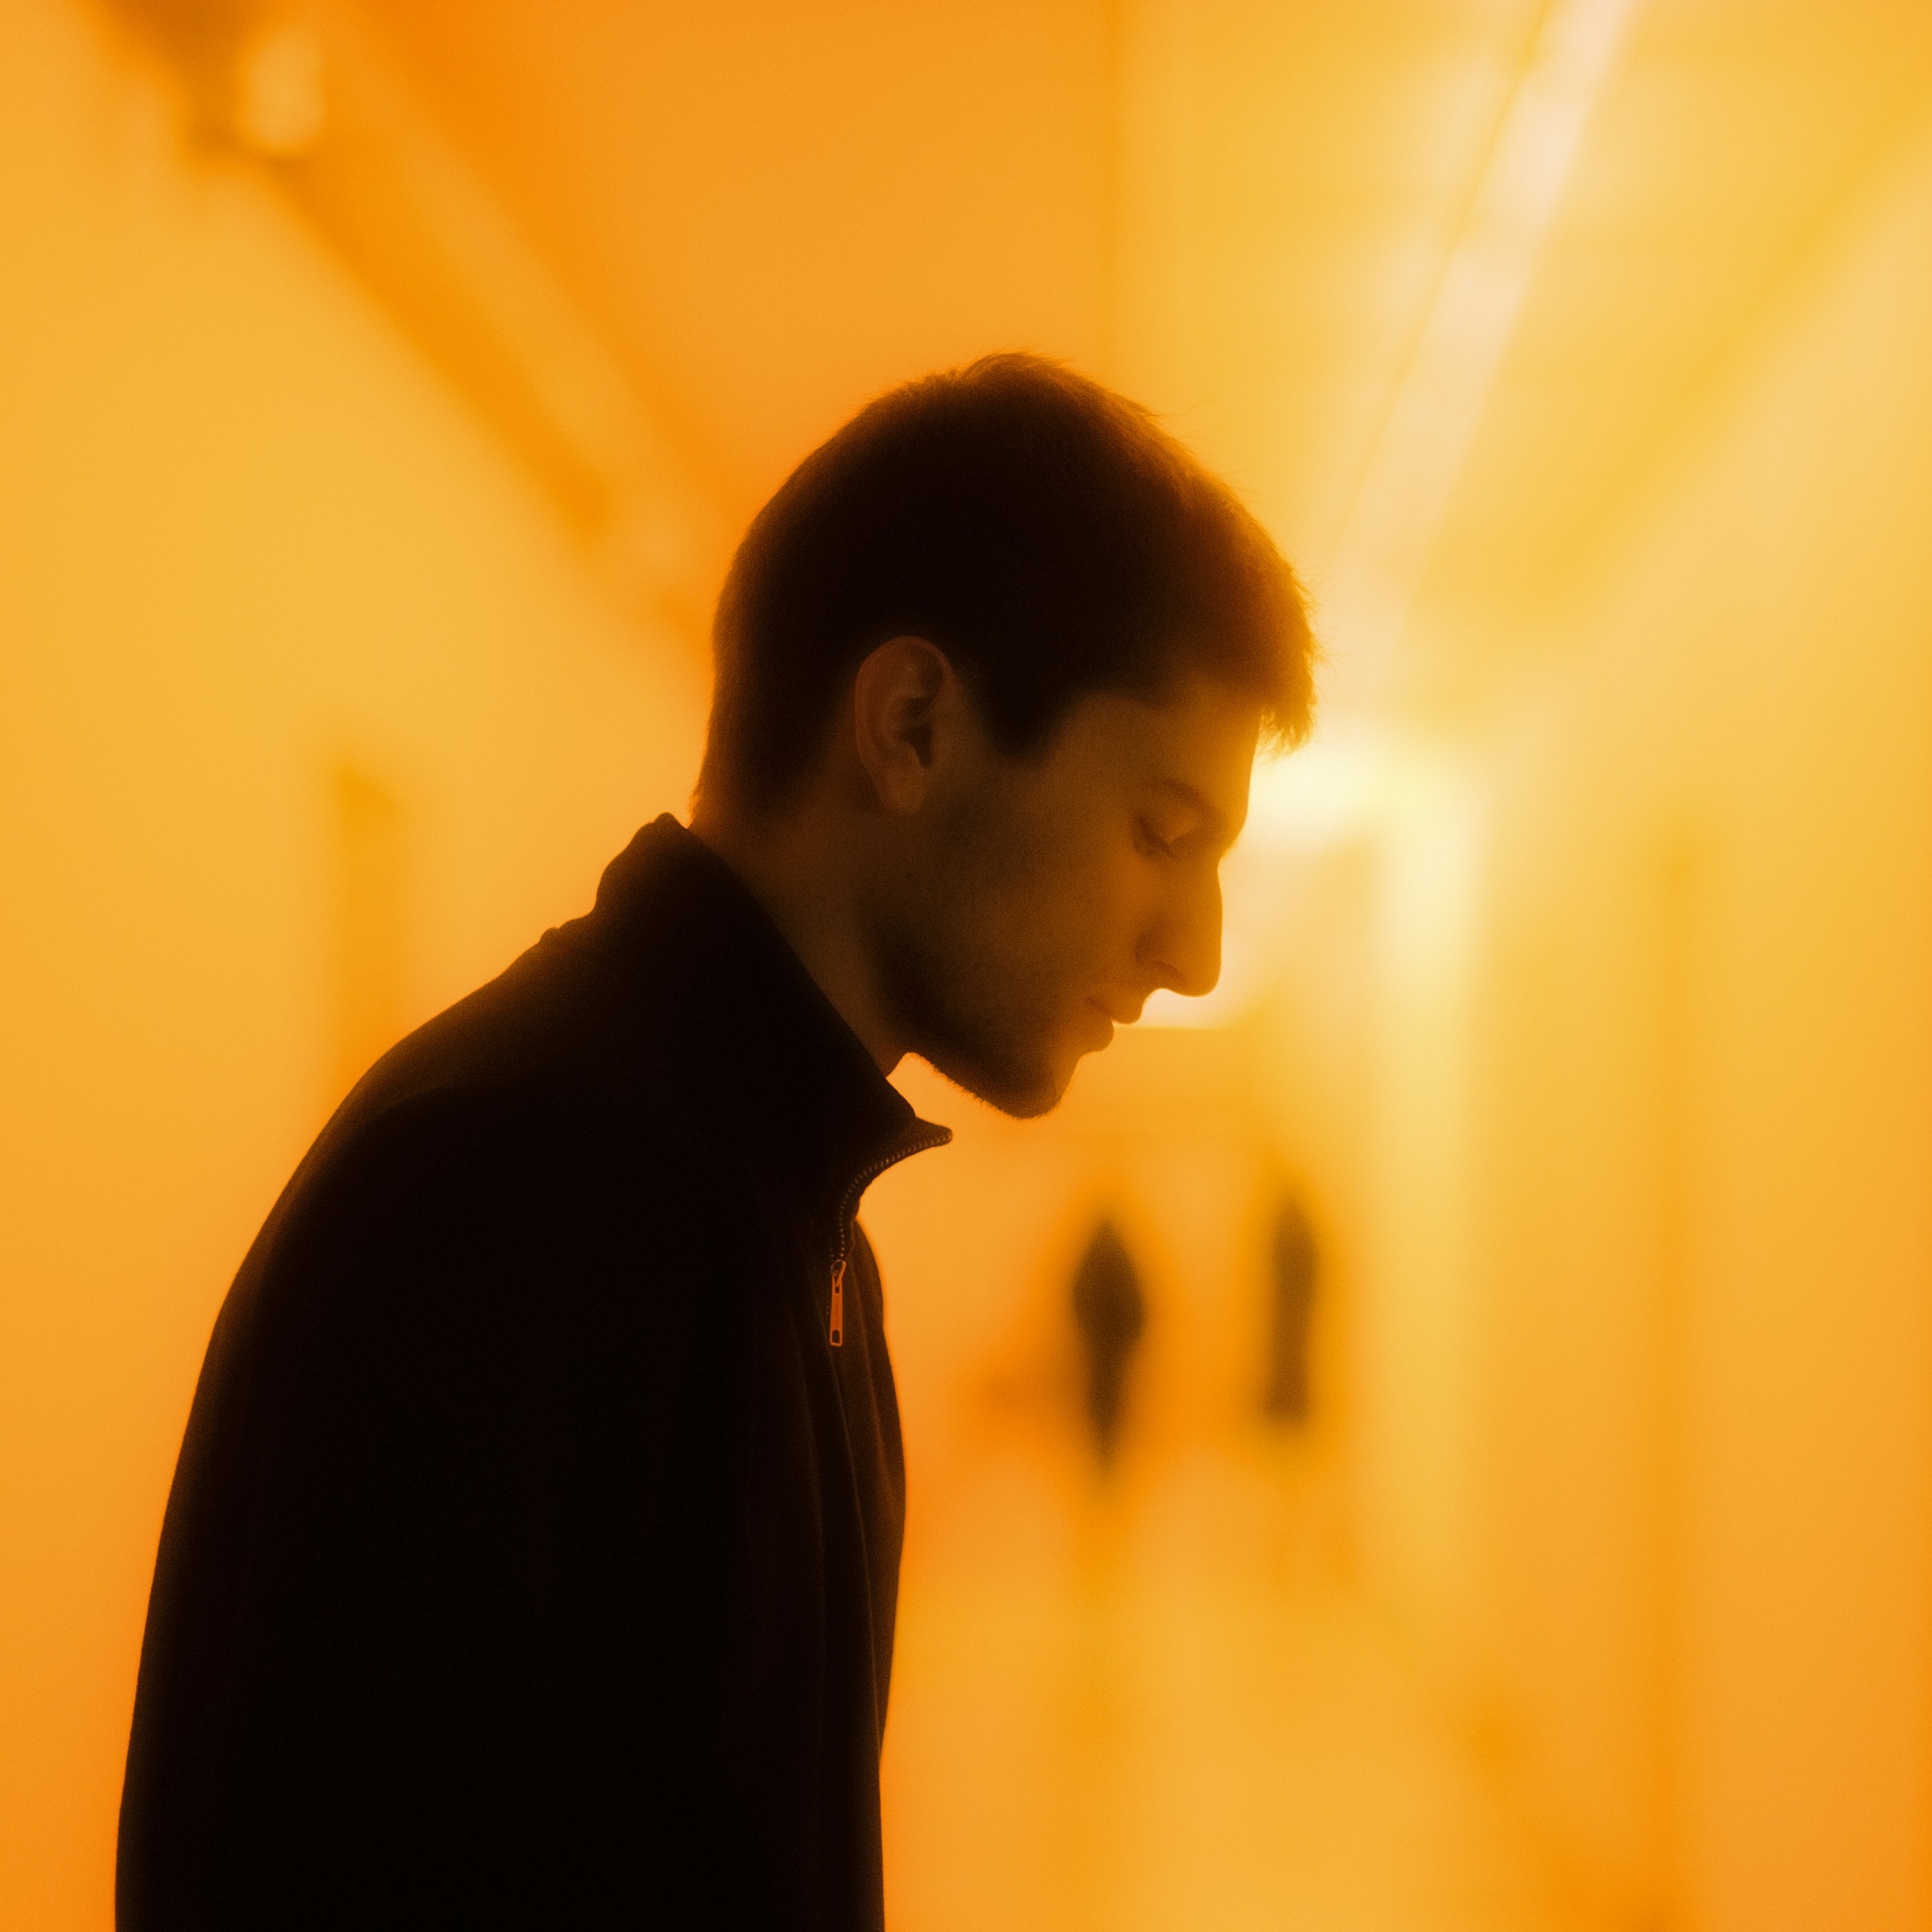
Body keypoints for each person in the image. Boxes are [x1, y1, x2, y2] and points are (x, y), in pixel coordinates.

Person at [117, 353, 1315, 1929]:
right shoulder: (537, 1191)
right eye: (1160, 829)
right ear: (910, 725)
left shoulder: (786, 1214)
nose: (1199, 952)